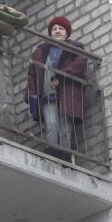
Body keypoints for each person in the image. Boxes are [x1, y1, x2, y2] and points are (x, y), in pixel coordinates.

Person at [26, 16, 88, 161]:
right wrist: (32, 94)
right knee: (51, 127)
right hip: (48, 96)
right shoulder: (40, 51)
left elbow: (80, 65)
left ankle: (66, 161)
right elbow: (32, 73)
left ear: (67, 33)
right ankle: (52, 158)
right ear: (50, 33)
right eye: (54, 29)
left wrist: (60, 76)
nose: (57, 31)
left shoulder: (75, 48)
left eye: (61, 28)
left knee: (65, 130)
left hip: (66, 95)